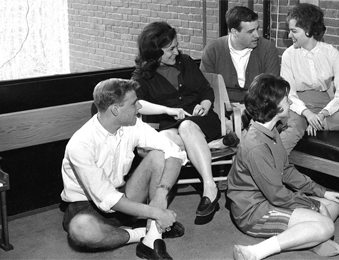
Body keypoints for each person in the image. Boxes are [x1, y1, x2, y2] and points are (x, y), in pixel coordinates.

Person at [60, 78, 188, 260]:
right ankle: (141, 233)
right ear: (115, 109)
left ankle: (151, 240)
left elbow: (174, 152)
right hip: (85, 205)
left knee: (158, 155)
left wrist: (160, 195)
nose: (139, 107)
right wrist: (157, 212)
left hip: (123, 195)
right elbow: (107, 199)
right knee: (80, 228)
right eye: (134, 103)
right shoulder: (81, 144)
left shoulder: (131, 125)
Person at [228, 74, 339, 260]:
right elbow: (277, 195)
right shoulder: (256, 146)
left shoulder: (271, 130)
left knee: (334, 204)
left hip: (271, 201)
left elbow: (287, 171)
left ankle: (309, 238)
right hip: (254, 213)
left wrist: (321, 192)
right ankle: (255, 252)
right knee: (326, 226)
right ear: (274, 105)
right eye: (286, 98)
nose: (290, 102)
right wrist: (314, 205)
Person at [132, 21, 236, 224]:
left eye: (177, 46)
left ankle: (210, 187)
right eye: (171, 49)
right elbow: (137, 103)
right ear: (154, 52)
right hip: (170, 125)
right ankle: (214, 146)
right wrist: (167, 110)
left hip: (201, 120)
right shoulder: (142, 75)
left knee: (187, 126)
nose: (176, 52)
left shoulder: (186, 62)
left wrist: (205, 105)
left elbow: (206, 91)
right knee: (163, 140)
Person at [280, 3, 339, 154]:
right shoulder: (288, 55)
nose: (289, 35)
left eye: (293, 31)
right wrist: (307, 113)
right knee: (295, 127)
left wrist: (322, 114)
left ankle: (313, 124)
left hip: (324, 103)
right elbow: (289, 94)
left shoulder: (332, 53)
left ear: (308, 30)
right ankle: (269, 164)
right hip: (297, 102)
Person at [200, 5, 280, 104]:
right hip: (221, 109)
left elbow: (272, 89)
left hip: (258, 109)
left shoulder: (268, 49)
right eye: (250, 31)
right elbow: (205, 88)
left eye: (257, 29)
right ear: (234, 32)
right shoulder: (213, 50)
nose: (256, 35)